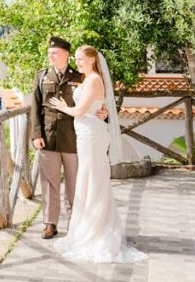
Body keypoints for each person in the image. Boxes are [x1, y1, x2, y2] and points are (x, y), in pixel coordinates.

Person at [48, 45, 147, 263]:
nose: (78, 62)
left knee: (93, 181)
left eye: (81, 59)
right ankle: (90, 227)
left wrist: (62, 106)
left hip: (91, 136)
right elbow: (97, 107)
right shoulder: (89, 79)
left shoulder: (93, 80)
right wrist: (101, 111)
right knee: (89, 180)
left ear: (93, 59)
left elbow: (80, 111)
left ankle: (97, 231)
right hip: (87, 134)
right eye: (76, 59)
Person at [27, 36, 107, 240]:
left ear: (65, 54)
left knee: (75, 183)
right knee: (49, 182)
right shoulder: (42, 76)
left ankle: (74, 221)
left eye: (54, 53)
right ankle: (50, 223)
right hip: (48, 137)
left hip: (74, 138)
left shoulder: (80, 76)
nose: (50, 56)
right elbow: (35, 108)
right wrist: (36, 135)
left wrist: (103, 111)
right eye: (49, 53)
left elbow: (95, 99)